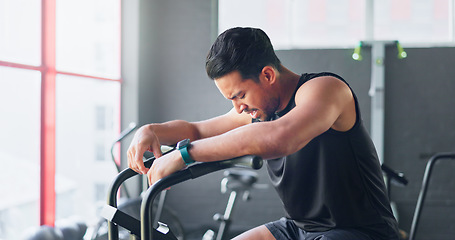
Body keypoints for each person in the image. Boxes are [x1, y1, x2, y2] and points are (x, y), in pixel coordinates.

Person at [127, 27, 400, 240]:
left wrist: (184, 155)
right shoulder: (256, 110)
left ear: (268, 75)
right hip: (298, 229)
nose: (238, 108)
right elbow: (197, 130)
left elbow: (280, 137)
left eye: (240, 95)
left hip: (359, 232)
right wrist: (150, 130)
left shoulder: (325, 89)